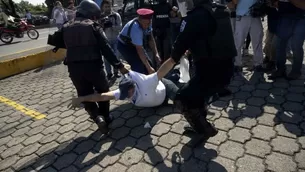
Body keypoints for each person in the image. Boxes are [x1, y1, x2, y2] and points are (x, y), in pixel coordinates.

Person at [157, 0, 235, 139]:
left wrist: (156, 77)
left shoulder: (192, 18)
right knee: (197, 92)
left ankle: (204, 129)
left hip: (209, 74)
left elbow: (173, 58)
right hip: (227, 71)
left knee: (182, 98)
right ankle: (202, 121)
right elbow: (212, 37)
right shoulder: (220, 9)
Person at [62, 0, 128, 134]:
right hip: (94, 67)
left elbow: (60, 44)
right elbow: (106, 49)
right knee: (103, 91)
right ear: (90, 14)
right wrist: (119, 65)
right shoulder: (93, 26)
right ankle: (106, 117)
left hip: (74, 69)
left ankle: (97, 117)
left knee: (84, 95)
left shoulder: (66, 26)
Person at [68, 68, 181, 109]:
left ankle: (176, 73)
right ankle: (175, 75)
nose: (127, 97)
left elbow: (161, 71)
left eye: (128, 93)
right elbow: (102, 97)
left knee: (182, 100)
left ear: (133, 87)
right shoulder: (123, 91)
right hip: (159, 99)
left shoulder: (146, 82)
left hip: (164, 88)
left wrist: (175, 56)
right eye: (125, 95)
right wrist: (81, 99)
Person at [117, 8, 161, 75]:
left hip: (135, 44)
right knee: (138, 66)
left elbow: (151, 38)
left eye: (149, 23)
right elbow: (139, 50)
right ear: (140, 20)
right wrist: (149, 68)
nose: (147, 26)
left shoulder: (149, 22)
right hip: (125, 46)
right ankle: (137, 81)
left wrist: (156, 54)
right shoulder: (136, 28)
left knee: (149, 63)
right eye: (145, 24)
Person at [270, 0, 305, 80]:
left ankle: (296, 71)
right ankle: (280, 69)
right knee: (279, 45)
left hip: (301, 19)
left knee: (296, 46)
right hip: (284, 18)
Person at [231, 0, 264, 73]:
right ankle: (237, 64)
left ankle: (258, 64)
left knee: (258, 41)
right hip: (242, 16)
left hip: (255, 16)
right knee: (238, 42)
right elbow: (235, 2)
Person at [100, 0, 122, 80]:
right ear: (102, 7)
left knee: (116, 57)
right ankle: (109, 73)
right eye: (105, 7)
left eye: (109, 6)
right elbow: (98, 30)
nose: (107, 8)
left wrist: (112, 25)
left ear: (111, 6)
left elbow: (120, 27)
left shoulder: (116, 15)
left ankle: (116, 72)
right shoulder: (100, 17)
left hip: (116, 40)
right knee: (106, 58)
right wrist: (102, 25)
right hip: (106, 41)